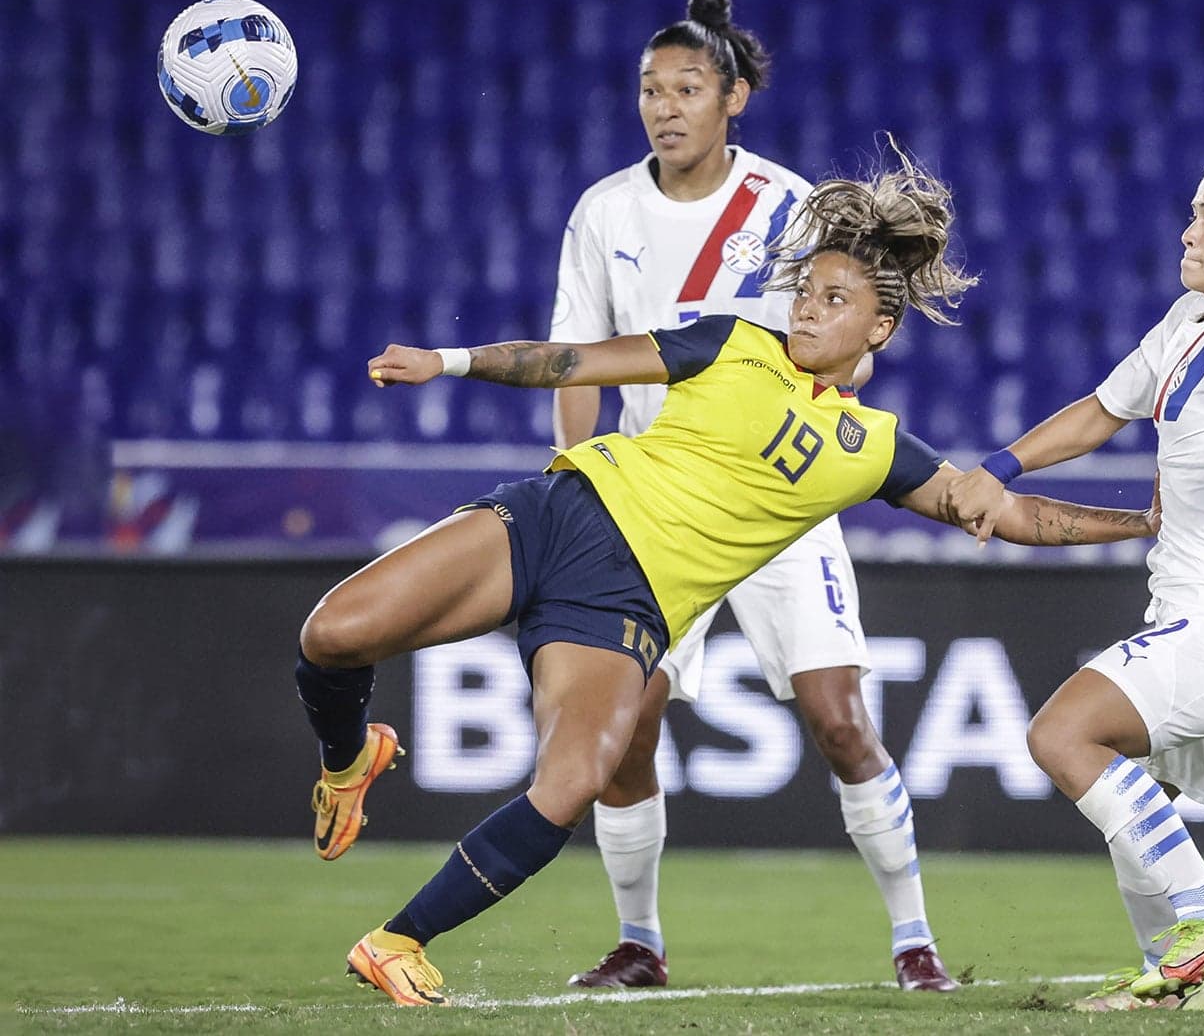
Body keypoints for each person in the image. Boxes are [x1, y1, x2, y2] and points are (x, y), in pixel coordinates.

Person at [299, 164, 1160, 1007]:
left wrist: (1142, 523)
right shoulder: (729, 342)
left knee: (570, 784)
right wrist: (446, 362)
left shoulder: (875, 448)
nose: (809, 309)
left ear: (880, 330)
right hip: (557, 512)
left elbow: (1006, 515)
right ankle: (348, 761)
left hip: (624, 607)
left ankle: (398, 943)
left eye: (836, 300)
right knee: (331, 637)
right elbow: (571, 361)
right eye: (808, 291)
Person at [542, 0, 953, 993]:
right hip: (655, 509)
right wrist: (571, 485)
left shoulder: (790, 207)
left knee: (841, 720)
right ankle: (640, 942)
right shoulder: (604, 212)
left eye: (686, 86)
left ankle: (915, 942)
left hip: (778, 501)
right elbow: (574, 363)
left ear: (735, 98)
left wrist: (838, 373)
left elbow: (849, 347)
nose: (663, 105)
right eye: (649, 89)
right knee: (628, 723)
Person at [949, 155, 1204, 1012]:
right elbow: (1101, 410)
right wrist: (999, 468)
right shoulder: (1186, 319)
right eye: (1193, 214)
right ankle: (1171, 987)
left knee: (1062, 736)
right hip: (1203, 611)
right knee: (1145, 806)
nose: (1189, 231)